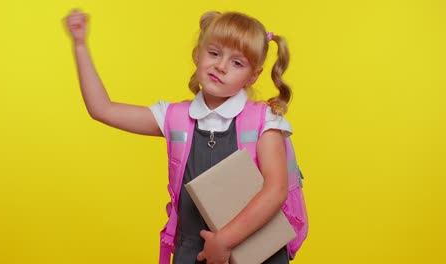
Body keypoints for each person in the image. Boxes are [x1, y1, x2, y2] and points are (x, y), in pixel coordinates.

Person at [66, 9, 297, 264]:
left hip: (256, 253)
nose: (221, 66)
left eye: (237, 62)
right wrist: (80, 45)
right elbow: (102, 109)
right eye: (214, 53)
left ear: (253, 76)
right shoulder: (174, 117)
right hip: (193, 252)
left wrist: (224, 241)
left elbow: (276, 191)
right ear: (198, 54)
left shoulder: (264, 121)